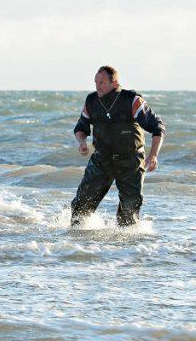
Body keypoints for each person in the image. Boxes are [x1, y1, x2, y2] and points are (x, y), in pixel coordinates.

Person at [70, 66, 164, 227]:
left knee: (129, 214)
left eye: (101, 82)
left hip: (131, 162)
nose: (97, 86)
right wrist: (82, 142)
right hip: (102, 160)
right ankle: (77, 238)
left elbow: (158, 127)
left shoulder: (132, 100)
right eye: (95, 82)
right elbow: (81, 128)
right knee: (80, 207)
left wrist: (153, 155)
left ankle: (126, 242)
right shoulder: (91, 101)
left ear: (114, 83)